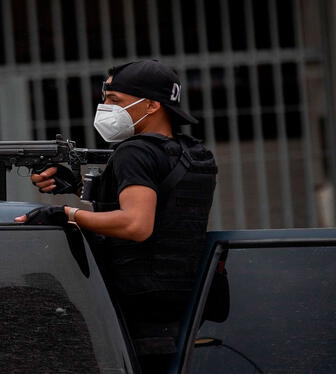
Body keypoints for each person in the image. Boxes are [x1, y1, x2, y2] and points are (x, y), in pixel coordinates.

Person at [15, 60, 217, 373]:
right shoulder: (192, 152)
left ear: (151, 105)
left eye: (115, 101)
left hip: (139, 308)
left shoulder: (134, 152)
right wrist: (82, 187)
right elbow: (165, 208)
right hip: (185, 305)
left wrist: (66, 214)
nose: (104, 107)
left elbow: (136, 225)